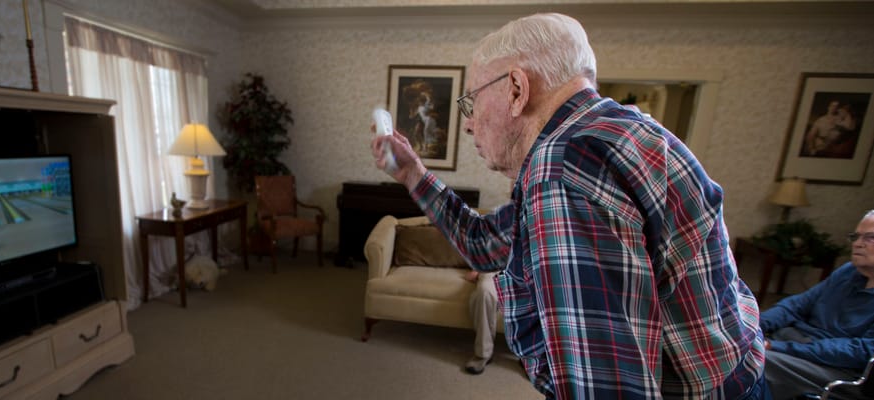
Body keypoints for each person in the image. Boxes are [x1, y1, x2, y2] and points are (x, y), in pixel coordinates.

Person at [370, 13, 767, 399]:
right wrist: (412, 172)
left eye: (472, 101)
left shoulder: (562, 169)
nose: (469, 123)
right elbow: (483, 243)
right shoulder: (622, 131)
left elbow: (605, 387)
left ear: (516, 89)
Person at [761, 209, 874, 400]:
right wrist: (753, 325)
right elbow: (797, 304)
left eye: (870, 238)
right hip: (794, 341)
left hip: (834, 365)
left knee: (746, 361)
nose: (857, 243)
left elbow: (859, 351)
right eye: (855, 237)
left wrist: (777, 346)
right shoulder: (848, 272)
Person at [463, 270, 498, 375]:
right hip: (492, 271)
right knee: (484, 292)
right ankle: (483, 353)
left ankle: (532, 356)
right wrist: (477, 269)